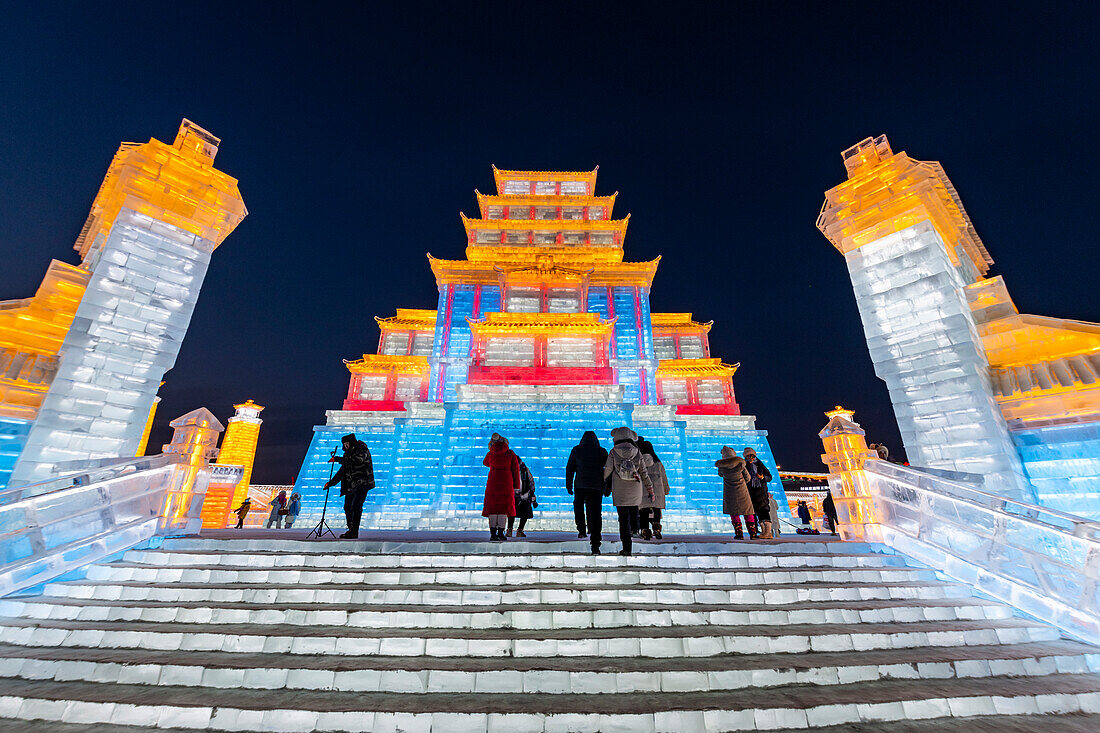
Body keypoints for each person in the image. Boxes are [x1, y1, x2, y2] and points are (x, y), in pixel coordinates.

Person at [603, 427, 654, 556]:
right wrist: (650, 488)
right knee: (633, 512)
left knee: (623, 519)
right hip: (635, 487)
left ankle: (627, 547)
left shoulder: (613, 452)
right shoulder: (637, 452)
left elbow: (608, 469)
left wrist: (603, 481)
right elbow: (643, 472)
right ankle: (635, 529)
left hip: (619, 490)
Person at [324, 433, 375, 539]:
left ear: (352, 442)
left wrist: (337, 459)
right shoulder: (347, 454)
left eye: (347, 443)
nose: (346, 446)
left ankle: (354, 531)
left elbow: (358, 460)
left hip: (362, 482)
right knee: (347, 507)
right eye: (344, 444)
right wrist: (331, 483)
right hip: (350, 485)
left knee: (356, 506)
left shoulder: (361, 448)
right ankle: (350, 529)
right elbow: (343, 470)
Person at [566, 431, 609, 554]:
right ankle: (595, 542)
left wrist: (569, 485)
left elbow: (570, 468)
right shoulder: (602, 451)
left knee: (579, 507)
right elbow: (607, 471)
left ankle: (581, 530)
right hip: (597, 486)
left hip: (580, 485)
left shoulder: (577, 450)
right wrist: (607, 488)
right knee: (595, 512)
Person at [482, 433, 519, 542]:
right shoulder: (510, 454)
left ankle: (493, 534)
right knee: (503, 508)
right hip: (506, 482)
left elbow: (485, 463)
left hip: (493, 481)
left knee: (493, 508)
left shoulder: (491, 453)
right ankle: (500, 533)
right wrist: (516, 486)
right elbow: (515, 470)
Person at [716, 446, 755, 540]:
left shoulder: (722, 468)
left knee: (734, 514)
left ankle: (739, 534)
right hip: (742, 492)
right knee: (748, 512)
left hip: (730, 493)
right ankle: (752, 534)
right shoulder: (741, 465)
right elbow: (748, 478)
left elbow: (720, 475)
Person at [636, 438, 670, 540]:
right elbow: (664, 478)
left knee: (644, 512)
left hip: (644, 491)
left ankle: (645, 531)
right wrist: (666, 489)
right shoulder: (658, 463)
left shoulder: (639, 462)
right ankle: (657, 529)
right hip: (658, 492)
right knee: (656, 512)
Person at [742, 447, 774, 540]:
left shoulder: (760, 465)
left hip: (761, 492)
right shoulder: (745, 466)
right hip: (751, 492)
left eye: (750, 456)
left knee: (763, 511)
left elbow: (769, 477)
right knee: (756, 512)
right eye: (747, 456)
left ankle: (768, 532)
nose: (749, 458)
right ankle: (763, 531)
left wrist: (762, 477)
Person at [507, 460, 538, 537]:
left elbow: (530, 481)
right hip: (520, 494)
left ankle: (512, 530)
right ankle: (516, 530)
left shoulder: (514, 469)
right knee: (516, 513)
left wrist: (531, 492)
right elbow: (531, 480)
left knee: (516, 513)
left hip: (521, 494)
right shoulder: (524, 469)